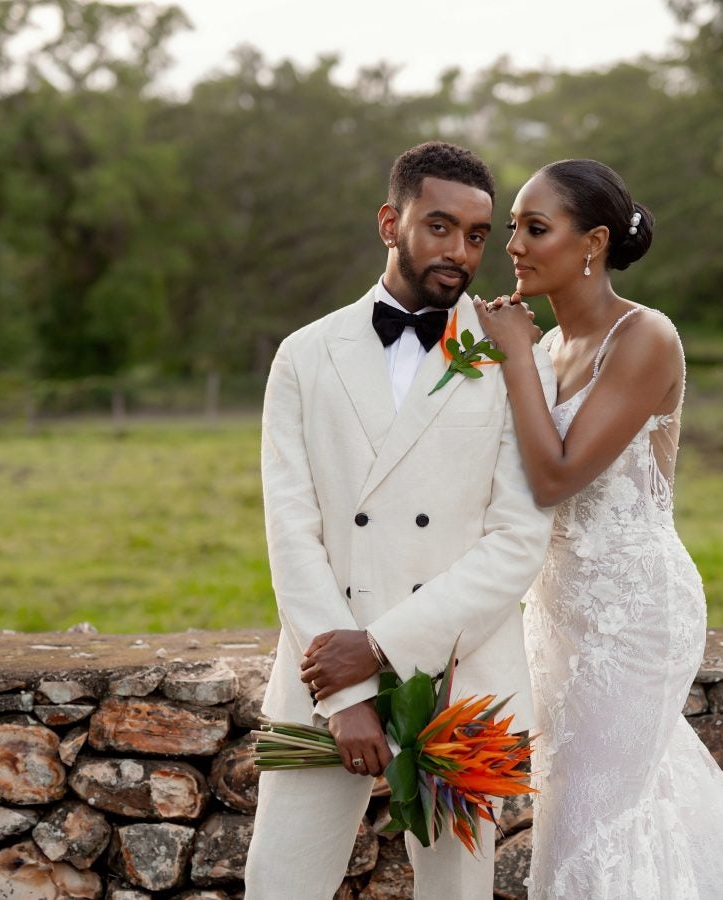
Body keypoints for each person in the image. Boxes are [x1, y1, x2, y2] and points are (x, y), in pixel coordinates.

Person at [474, 159, 723, 899]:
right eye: (513, 228)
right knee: (606, 810)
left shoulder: (645, 337)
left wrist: (513, 354)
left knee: (595, 824)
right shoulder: (550, 349)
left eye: (535, 227)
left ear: (594, 242)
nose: (513, 245)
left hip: (634, 615)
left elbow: (557, 476)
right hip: (559, 613)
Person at [244, 142, 556, 900]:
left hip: (458, 677)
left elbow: (517, 540)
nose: (460, 251)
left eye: (478, 236)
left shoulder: (510, 354)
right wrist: (345, 694)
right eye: (439, 227)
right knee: (279, 883)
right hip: (323, 674)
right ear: (391, 221)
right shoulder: (304, 355)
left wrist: (380, 649)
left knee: (456, 893)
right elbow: (292, 531)